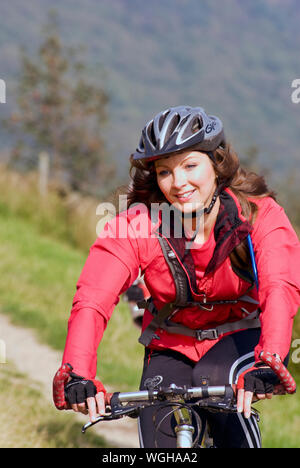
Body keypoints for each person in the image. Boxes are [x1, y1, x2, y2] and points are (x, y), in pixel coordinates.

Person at [53, 106, 300, 448]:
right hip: (172, 343)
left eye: (190, 165)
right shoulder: (138, 225)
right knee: (160, 433)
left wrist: (270, 358)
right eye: (165, 172)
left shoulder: (259, 215)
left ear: (216, 164)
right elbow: (93, 298)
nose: (178, 183)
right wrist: (78, 372)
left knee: (224, 397)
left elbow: (279, 287)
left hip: (242, 337)